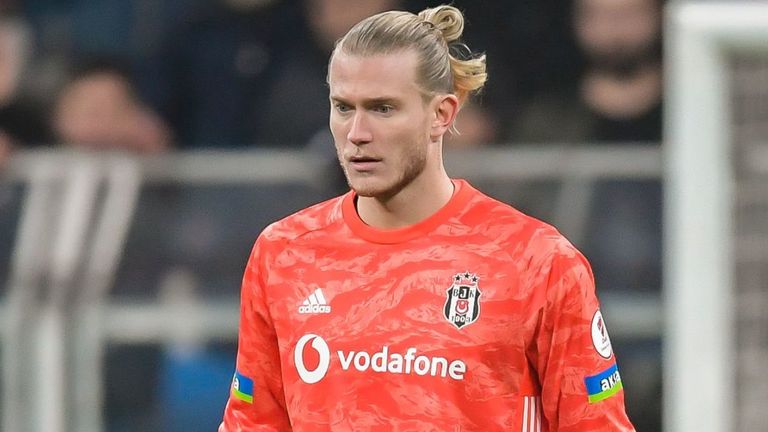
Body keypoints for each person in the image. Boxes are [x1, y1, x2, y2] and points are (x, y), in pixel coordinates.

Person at [219, 4, 635, 431]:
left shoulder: (535, 260)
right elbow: (253, 422)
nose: (358, 132)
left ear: (442, 114)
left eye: (383, 108)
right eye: (344, 108)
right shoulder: (284, 253)